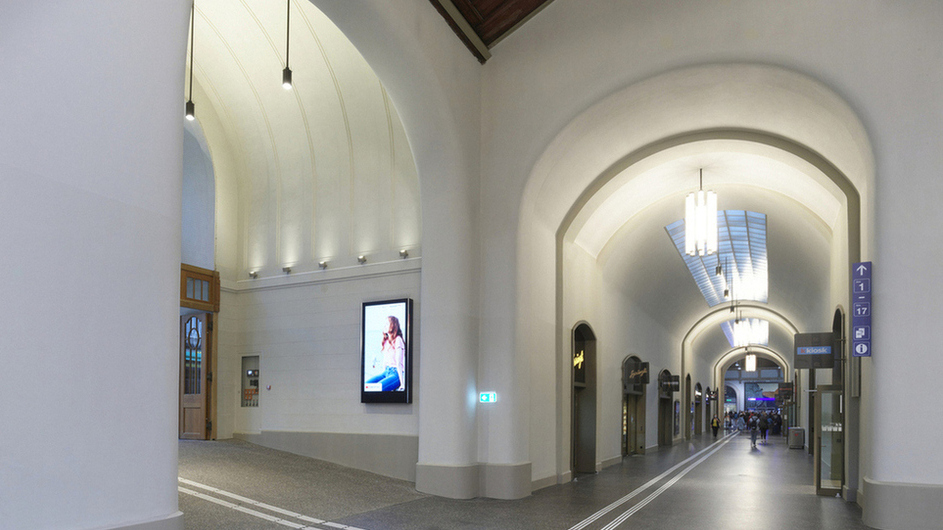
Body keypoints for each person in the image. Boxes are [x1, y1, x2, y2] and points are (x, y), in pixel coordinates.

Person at [366, 315, 406, 391]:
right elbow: (385, 362)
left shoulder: (398, 340)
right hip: (386, 372)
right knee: (366, 385)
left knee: (377, 388)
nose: (384, 326)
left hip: (395, 373)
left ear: (393, 326)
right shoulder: (386, 341)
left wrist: (402, 383)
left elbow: (399, 363)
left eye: (387, 324)